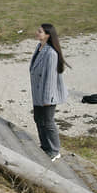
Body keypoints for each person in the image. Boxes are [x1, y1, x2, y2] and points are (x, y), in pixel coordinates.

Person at [29, 23, 69, 162]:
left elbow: (51, 78)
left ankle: (54, 150)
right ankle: (45, 146)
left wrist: (47, 98)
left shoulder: (51, 53)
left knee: (48, 121)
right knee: (38, 119)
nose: (37, 33)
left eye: (40, 31)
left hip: (47, 94)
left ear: (47, 35)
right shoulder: (39, 47)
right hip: (38, 92)